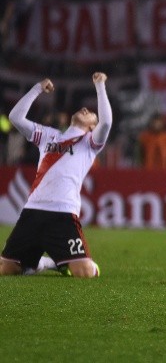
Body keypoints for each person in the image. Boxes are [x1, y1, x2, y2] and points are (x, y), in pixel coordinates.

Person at [0, 72, 112, 278]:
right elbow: (15, 118)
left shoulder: (89, 143)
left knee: (86, 273)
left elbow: (105, 124)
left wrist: (100, 86)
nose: (86, 110)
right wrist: (37, 89)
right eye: (85, 109)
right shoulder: (48, 135)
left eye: (91, 114)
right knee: (6, 270)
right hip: (33, 209)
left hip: (63, 214)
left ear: (91, 128)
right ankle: (49, 263)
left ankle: (65, 261)